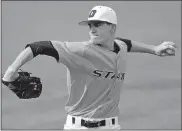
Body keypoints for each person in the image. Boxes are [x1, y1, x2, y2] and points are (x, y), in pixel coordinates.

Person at [2, 5, 177, 130]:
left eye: (98, 24)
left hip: (112, 126)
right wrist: (10, 72)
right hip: (79, 127)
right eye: (90, 25)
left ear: (112, 28)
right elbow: (38, 46)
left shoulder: (120, 47)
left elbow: (126, 43)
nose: (92, 29)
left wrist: (154, 49)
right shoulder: (81, 51)